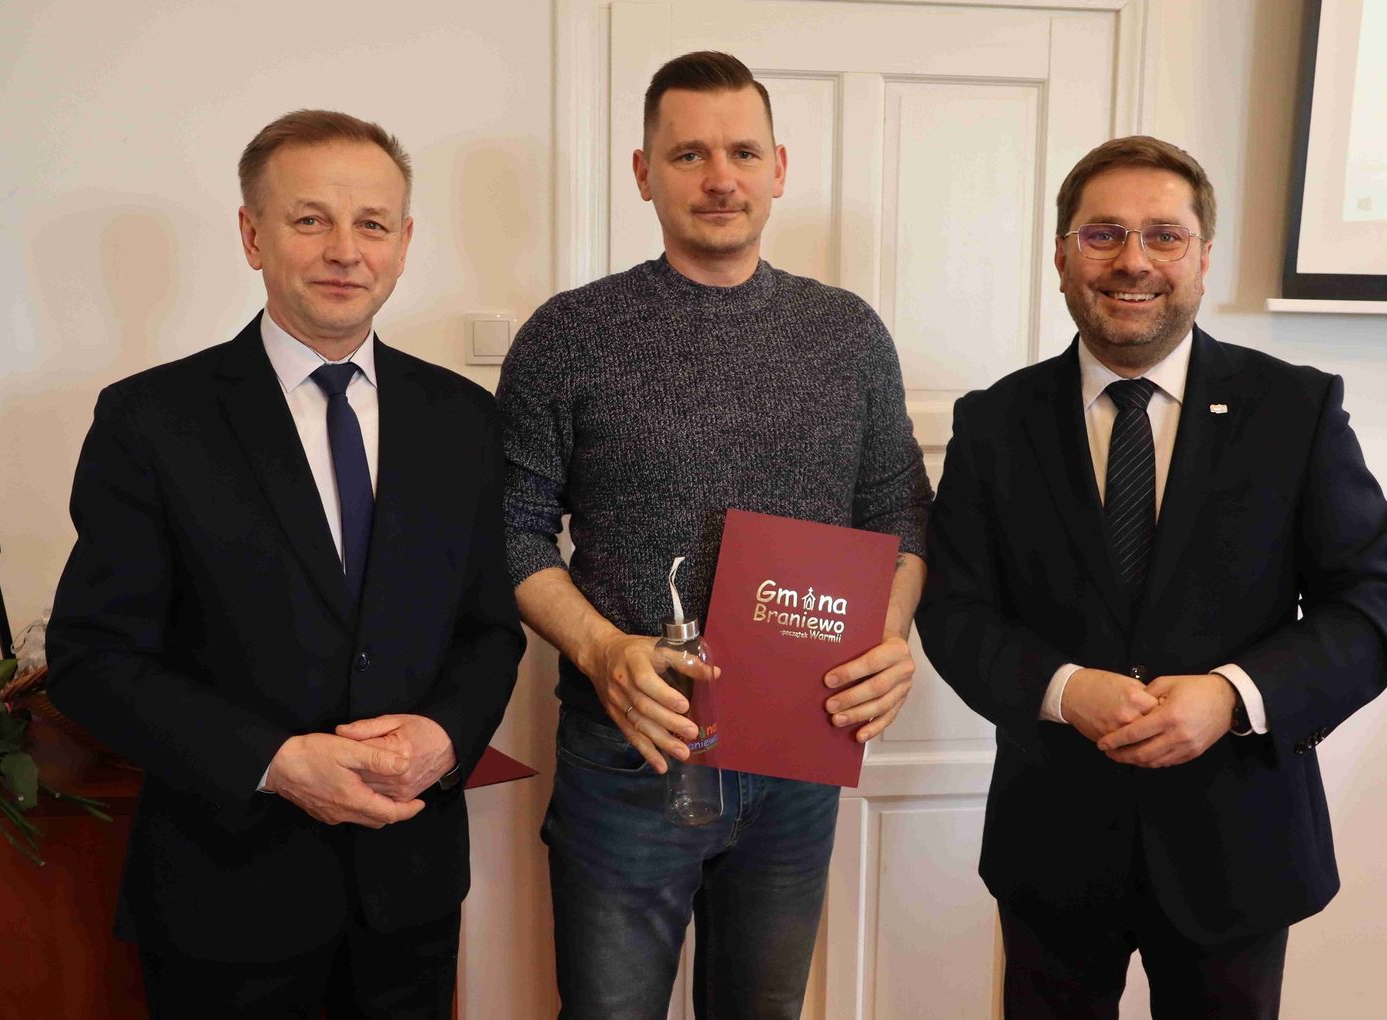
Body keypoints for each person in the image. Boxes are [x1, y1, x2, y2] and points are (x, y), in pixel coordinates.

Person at [915, 134, 1387, 1018]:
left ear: (1203, 257)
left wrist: (1231, 695)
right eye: (1102, 234)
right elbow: (955, 611)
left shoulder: (1296, 408)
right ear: (1061, 255)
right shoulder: (994, 421)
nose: (1133, 261)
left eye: (1164, 236)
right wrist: (1064, 690)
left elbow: (1368, 607)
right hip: (1052, 850)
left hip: (1240, 851)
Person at [46, 109, 524, 1018]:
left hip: (409, 896)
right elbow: (92, 659)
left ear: (404, 243)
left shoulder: (463, 419)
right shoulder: (151, 421)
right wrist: (272, 761)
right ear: (251, 235)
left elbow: (489, 631)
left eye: (372, 223)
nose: (345, 250)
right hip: (225, 903)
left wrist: (445, 738)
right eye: (311, 219)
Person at [496, 51, 931, 1019]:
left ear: (780, 168)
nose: (720, 178)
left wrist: (890, 638)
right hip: (631, 751)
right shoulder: (569, 335)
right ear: (643, 173)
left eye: (743, 153)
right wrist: (602, 650)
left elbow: (899, 513)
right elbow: (513, 532)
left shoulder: (848, 335)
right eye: (688, 154)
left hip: (797, 753)